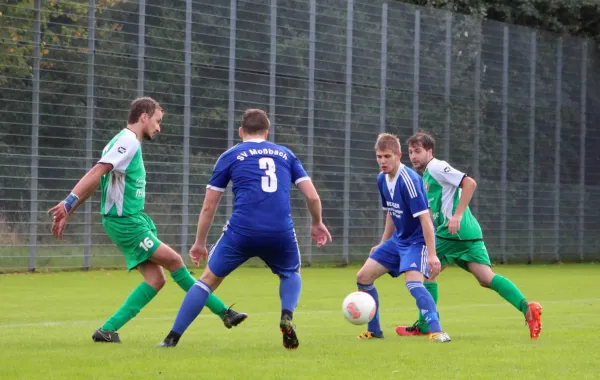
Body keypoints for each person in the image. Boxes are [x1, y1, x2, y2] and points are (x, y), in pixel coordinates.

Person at [48, 97, 247, 343]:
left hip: (133, 220)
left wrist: (70, 210)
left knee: (156, 279)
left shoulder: (125, 143)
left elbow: (97, 182)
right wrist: (68, 202)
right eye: (157, 121)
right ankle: (224, 312)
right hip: (126, 223)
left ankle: (107, 330)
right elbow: (96, 172)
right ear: (144, 116)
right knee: (174, 261)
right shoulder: (127, 141)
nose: (159, 127)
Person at [157, 108, 331, 349]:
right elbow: (312, 197)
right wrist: (316, 222)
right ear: (267, 132)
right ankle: (287, 316)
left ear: (241, 132)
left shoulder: (230, 155)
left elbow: (209, 206)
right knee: (291, 272)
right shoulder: (285, 155)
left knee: (207, 281)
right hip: (280, 231)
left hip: (242, 231)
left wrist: (199, 243)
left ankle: (171, 338)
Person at [395, 132, 542, 339]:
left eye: (418, 151)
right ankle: (528, 308)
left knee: (426, 274)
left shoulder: (436, 167)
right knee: (485, 278)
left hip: (453, 232)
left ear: (430, 152)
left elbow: (469, 183)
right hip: (468, 233)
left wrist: (457, 215)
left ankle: (425, 325)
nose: (413, 156)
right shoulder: (425, 176)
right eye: (410, 152)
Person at [354, 133, 451, 343]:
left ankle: (437, 331)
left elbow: (426, 220)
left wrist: (433, 255)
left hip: (417, 242)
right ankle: (374, 330)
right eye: (379, 156)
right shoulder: (382, 179)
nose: (382, 161)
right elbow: (391, 211)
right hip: (398, 241)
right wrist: (382, 243)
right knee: (363, 277)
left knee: (414, 285)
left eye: (387, 156)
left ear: (398, 155)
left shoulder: (409, 180)